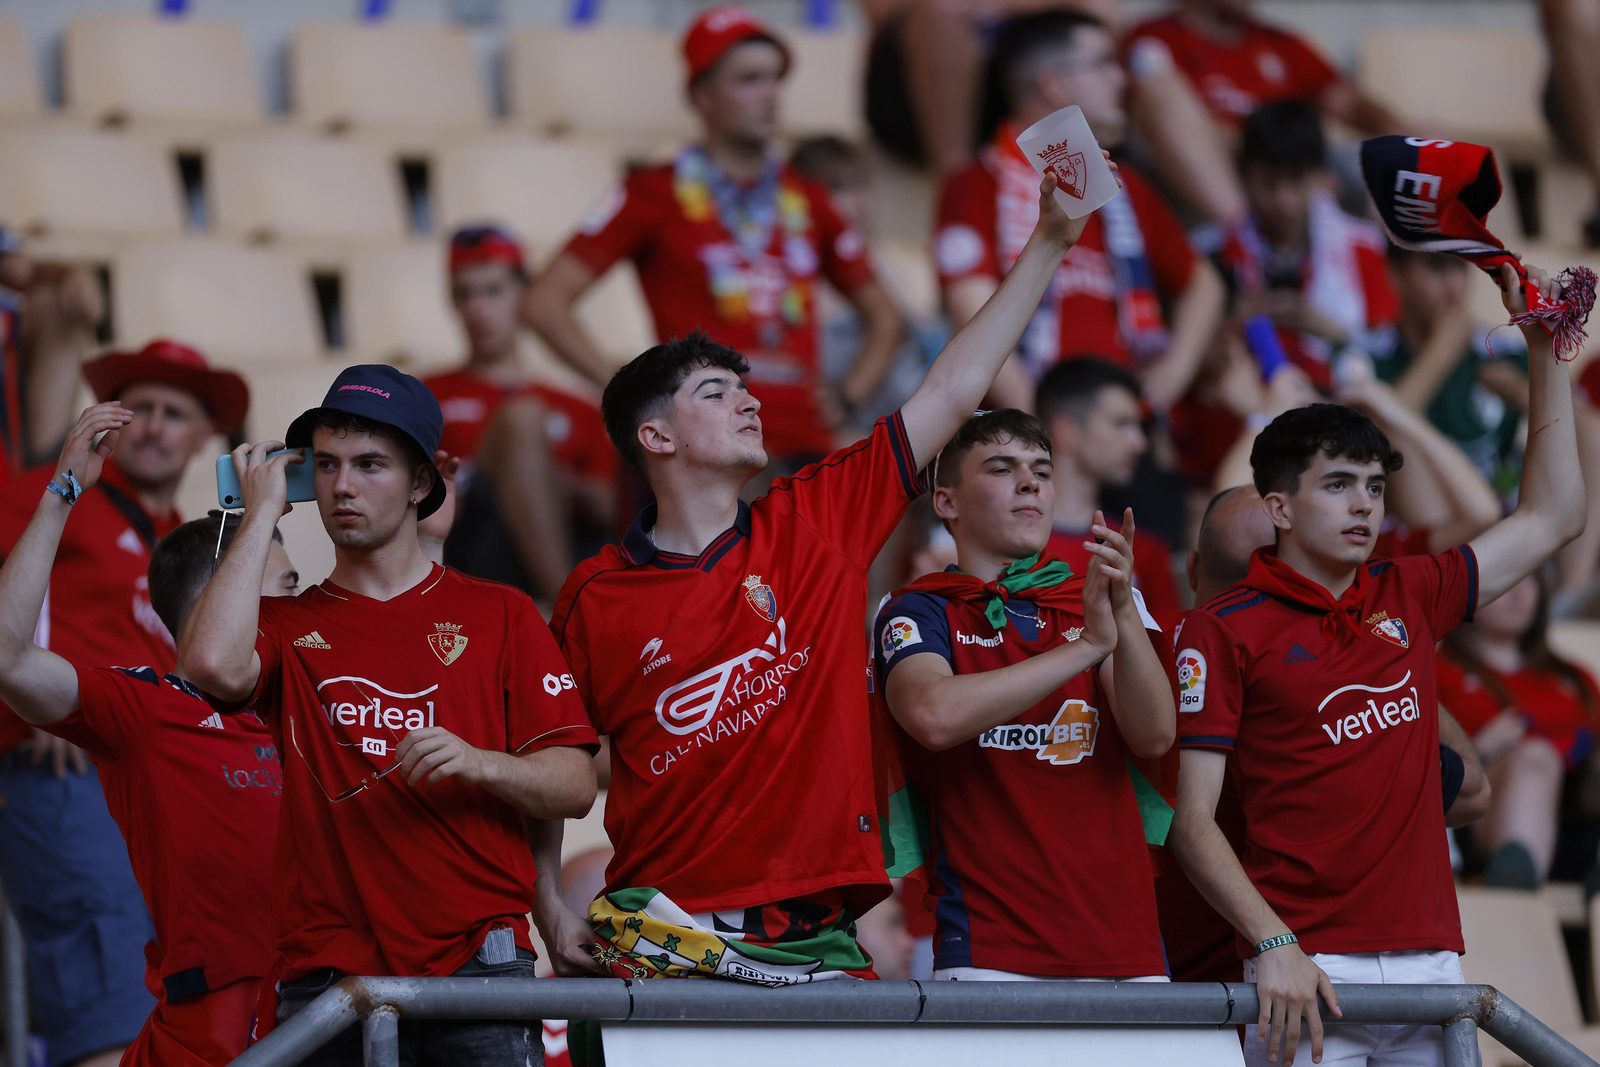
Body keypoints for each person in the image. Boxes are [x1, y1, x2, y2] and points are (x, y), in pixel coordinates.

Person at [544, 165, 1100, 979]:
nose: (750, 401)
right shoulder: (593, 594)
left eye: (747, 388)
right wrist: (546, 908)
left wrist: (1050, 241)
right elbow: (550, 763)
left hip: (820, 942)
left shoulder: (816, 519)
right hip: (668, 941)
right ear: (655, 437)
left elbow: (949, 389)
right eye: (716, 390)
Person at [1167, 261, 1582, 1067]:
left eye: (1372, 487)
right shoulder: (1223, 628)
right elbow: (1192, 822)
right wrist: (1275, 943)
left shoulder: (1409, 588)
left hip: (1430, 959)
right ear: (1279, 508)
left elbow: (1553, 517)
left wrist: (1544, 352)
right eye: (1338, 486)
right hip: (1302, 968)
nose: (1364, 504)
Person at [176, 365, 600, 1066]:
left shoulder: (500, 612)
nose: (343, 486)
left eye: (371, 464)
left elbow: (575, 782)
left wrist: (478, 760)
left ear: (420, 482)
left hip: (480, 969)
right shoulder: (284, 622)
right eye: (329, 465)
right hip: (327, 975)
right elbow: (211, 665)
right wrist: (258, 516)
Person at [0, 403, 301, 1066]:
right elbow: (7, 657)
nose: (301, 606)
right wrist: (63, 492)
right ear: (225, 596)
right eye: (283, 586)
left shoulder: (310, 700)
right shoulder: (145, 705)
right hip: (215, 1020)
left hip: (329, 996)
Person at [524, 5, 904, 472]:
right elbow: (543, 304)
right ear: (702, 95)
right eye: (749, 80)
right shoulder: (652, 193)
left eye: (775, 79)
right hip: (707, 448)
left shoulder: (807, 197)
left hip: (806, 442)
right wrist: (632, 396)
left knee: (911, 476)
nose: (770, 96)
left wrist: (849, 395)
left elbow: (886, 316)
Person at [874, 409, 1174, 980]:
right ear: (947, 503)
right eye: (1001, 468)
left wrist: (1120, 610)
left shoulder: (1092, 600)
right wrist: (1086, 646)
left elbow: (1155, 735)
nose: (1030, 481)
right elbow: (933, 715)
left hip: (1126, 946)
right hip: (991, 951)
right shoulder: (916, 608)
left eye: (1041, 469)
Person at [1156, 485, 1489, 983]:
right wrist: (1388, 667)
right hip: (1298, 979)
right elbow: (1472, 793)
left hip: (1175, 999)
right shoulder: (1298, 683)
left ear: (1193, 569)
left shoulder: (1138, 674)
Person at [935, 9, 1224, 412]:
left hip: (1123, 443)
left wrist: (1167, 380)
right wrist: (1042, 437)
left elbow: (1203, 284)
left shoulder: (1125, 185)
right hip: (1024, 445)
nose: (1121, 79)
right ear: (1052, 84)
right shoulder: (976, 184)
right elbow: (973, 319)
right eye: (1104, 63)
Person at [424, 225, 619, 598]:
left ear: (524, 295)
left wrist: (558, 483)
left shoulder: (577, 406)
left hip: (569, 540)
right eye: (465, 294)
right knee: (522, 418)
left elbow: (612, 507)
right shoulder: (426, 395)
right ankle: (573, 614)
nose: (478, 308)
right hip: (463, 551)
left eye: (493, 291)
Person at [1220, 102, 1399, 388]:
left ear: (1320, 175)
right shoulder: (1220, 248)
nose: (1284, 200)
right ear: (1245, 175)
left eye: (1296, 180)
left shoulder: (1364, 247)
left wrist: (1316, 323)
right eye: (1269, 182)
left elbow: (1387, 354)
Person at [1438, 573, 1599, 889]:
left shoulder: (1574, 677)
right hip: (1482, 818)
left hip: (1579, 818)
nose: (1519, 594)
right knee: (1535, 757)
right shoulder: (1435, 671)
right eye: (1509, 578)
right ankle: (1515, 880)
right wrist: (1477, 750)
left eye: (1531, 580)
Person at [1036, 358, 1184, 630]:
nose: (1140, 443)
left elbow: (1165, 662)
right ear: (1065, 432)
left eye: (1138, 427)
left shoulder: (1146, 552)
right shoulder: (1006, 544)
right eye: (1121, 423)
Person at [1370, 244, 1527, 490]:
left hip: (1504, 508)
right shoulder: (1365, 355)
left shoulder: (1508, 352)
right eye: (1437, 268)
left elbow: (1578, 429)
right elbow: (1368, 451)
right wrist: (1442, 352)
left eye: (1461, 267)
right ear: (1395, 274)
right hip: (1419, 518)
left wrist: (1522, 394)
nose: (1454, 285)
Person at [1124, 0, 1400, 134]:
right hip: (1224, 179)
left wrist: (1395, 131)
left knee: (1427, 139)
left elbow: (1350, 103)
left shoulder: (1282, 42)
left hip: (1296, 174)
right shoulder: (1155, 38)